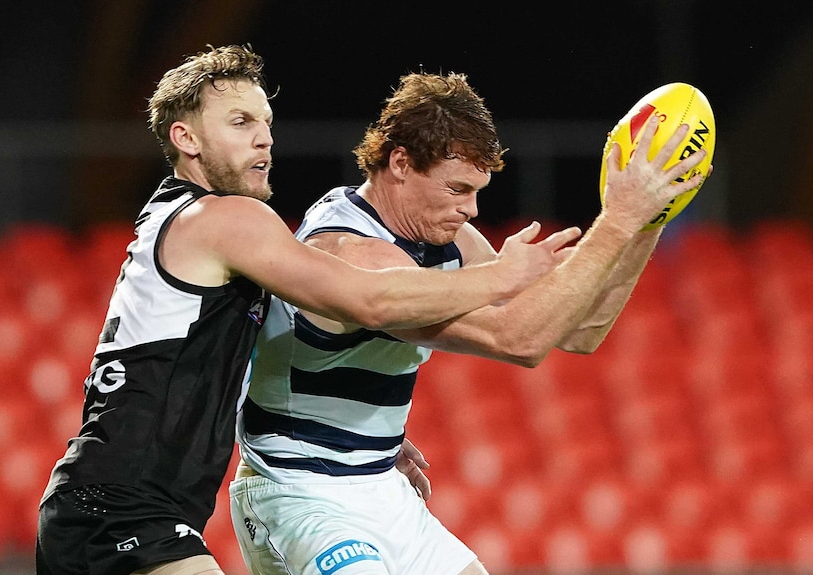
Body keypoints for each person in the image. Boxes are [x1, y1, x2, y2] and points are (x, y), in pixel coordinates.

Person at [34, 46, 570, 575]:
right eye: (241, 121)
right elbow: (369, 298)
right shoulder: (225, 219)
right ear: (186, 138)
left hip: (118, 504)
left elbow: (217, 357)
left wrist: (362, 434)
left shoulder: (190, 223)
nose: (264, 136)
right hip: (120, 509)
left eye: (266, 120)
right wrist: (500, 275)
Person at [229, 71, 711, 575]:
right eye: (457, 188)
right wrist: (615, 220)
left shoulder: (447, 242)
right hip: (301, 495)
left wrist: (647, 219)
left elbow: (579, 331)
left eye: (478, 190)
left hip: (381, 488)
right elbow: (519, 339)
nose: (472, 209)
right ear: (399, 162)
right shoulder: (355, 252)